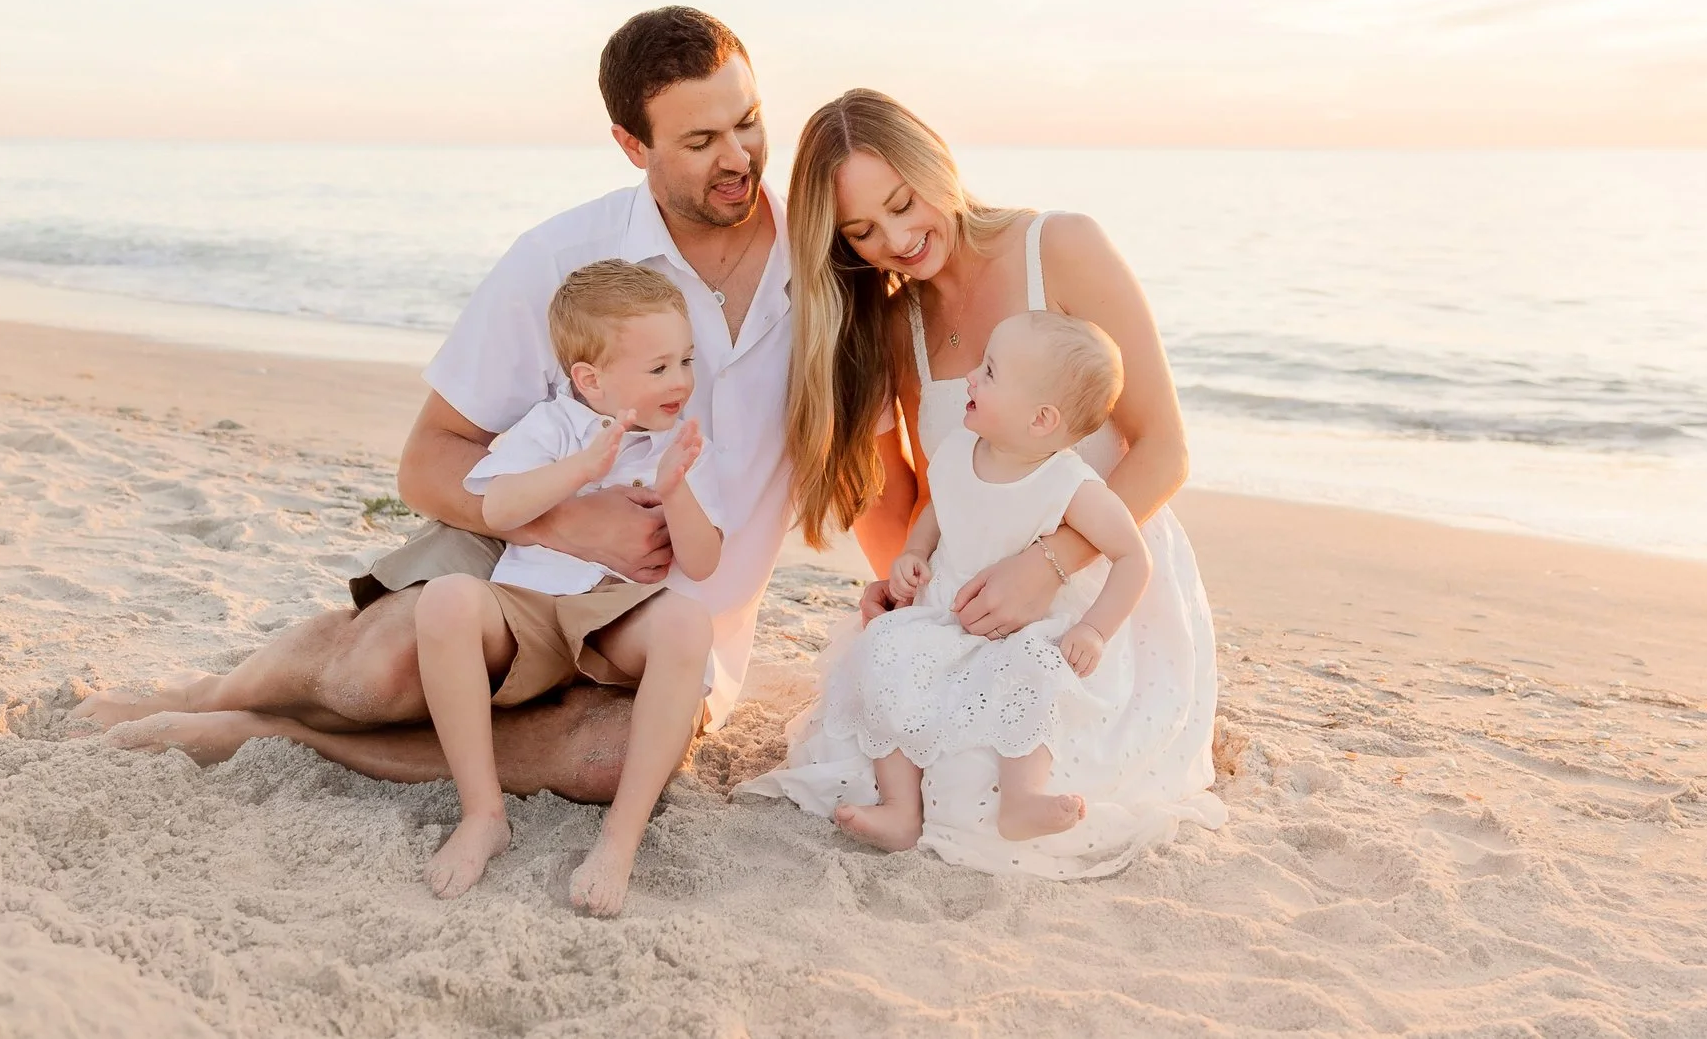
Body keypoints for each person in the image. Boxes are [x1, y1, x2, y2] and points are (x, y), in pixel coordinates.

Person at [75, 8, 793, 815]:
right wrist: (566, 523)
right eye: (700, 142)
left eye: (749, 122)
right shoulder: (562, 259)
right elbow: (430, 457)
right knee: (377, 670)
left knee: (608, 760)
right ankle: (213, 692)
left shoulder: (826, 262)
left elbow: (905, 440)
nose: (738, 158)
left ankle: (281, 736)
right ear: (633, 145)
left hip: (675, 613)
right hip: (518, 557)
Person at [741, 89, 1225, 878]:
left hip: (1098, 583)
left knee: (983, 795)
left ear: (935, 158)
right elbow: (922, 497)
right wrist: (905, 587)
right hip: (979, 601)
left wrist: (1050, 566)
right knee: (888, 744)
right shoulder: (900, 327)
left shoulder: (1061, 247)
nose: (896, 238)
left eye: (902, 202)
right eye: (861, 231)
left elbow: (1165, 449)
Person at [417, 261, 726, 913]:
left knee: (689, 624)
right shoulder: (551, 425)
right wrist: (583, 467)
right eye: (659, 367)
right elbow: (499, 509)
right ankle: (483, 812)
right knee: (445, 600)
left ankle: (619, 837)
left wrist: (674, 493)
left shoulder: (685, 443)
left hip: (615, 616)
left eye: (685, 361)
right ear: (591, 379)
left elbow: (700, 562)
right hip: (527, 605)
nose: (680, 381)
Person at [817, 311, 1161, 867]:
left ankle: (1021, 798)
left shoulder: (1067, 484)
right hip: (946, 611)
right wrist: (912, 553)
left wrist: (1095, 630)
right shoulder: (959, 447)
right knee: (883, 651)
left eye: (991, 372)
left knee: (1034, 671)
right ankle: (900, 807)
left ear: (1041, 419)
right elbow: (936, 506)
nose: (971, 378)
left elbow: (1132, 557)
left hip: (1021, 627)